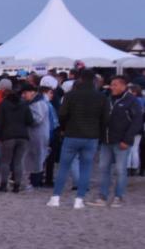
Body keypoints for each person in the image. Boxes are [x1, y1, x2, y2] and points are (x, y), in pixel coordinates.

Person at [48, 69, 106, 209]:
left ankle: (56, 198)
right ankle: (79, 200)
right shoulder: (101, 97)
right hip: (91, 136)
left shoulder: (71, 95)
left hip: (72, 134)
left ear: (79, 79)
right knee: (86, 168)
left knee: (64, 167)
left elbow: (62, 114)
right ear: (94, 81)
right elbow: (105, 119)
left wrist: (63, 128)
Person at [92, 75, 143, 206]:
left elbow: (137, 122)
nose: (112, 87)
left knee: (120, 170)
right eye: (111, 84)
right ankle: (102, 196)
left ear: (123, 85)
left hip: (122, 142)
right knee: (103, 168)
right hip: (106, 140)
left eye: (115, 84)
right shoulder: (107, 99)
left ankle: (118, 197)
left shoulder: (131, 101)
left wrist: (127, 139)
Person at [0, 82, 35, 194]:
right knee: (18, 161)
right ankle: (17, 185)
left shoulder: (3, 105)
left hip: (8, 136)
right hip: (23, 136)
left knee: (5, 161)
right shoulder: (24, 105)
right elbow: (30, 121)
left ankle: (3, 185)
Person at [26, 77, 56, 187]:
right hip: (41, 134)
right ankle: (37, 180)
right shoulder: (42, 103)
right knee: (38, 158)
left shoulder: (39, 103)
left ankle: (37, 180)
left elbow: (37, 119)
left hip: (40, 134)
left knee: (39, 158)